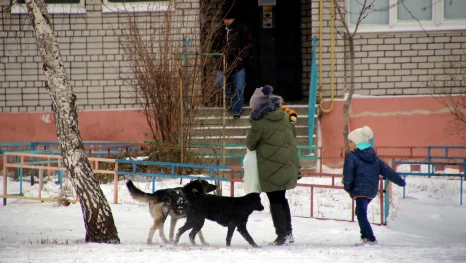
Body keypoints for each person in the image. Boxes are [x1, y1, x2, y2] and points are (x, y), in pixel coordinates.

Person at [246, 85, 299, 245]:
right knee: (281, 198)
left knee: (275, 200)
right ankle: (288, 233)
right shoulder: (284, 115)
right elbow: (293, 135)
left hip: (271, 166)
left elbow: (251, 144)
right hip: (288, 163)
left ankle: (282, 235)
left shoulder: (259, 122)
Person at [343, 126, 406, 246]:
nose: (349, 144)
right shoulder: (374, 158)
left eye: (351, 142)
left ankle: (370, 238)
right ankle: (365, 237)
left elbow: (348, 175)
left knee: (361, 214)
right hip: (371, 191)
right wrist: (400, 182)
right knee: (360, 212)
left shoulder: (352, 157)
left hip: (359, 190)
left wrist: (348, 187)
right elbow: (387, 171)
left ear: (356, 143)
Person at [212, 7, 252, 118]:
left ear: (234, 19)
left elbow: (248, 44)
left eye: (229, 19)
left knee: (239, 88)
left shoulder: (241, 29)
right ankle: (230, 99)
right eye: (225, 19)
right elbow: (213, 46)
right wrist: (217, 57)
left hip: (238, 64)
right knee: (220, 83)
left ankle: (236, 110)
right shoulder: (220, 31)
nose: (227, 21)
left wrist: (241, 57)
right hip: (223, 64)